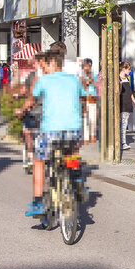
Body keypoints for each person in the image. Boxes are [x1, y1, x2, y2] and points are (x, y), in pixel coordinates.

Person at [17, 49, 85, 217]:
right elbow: (83, 99)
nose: (43, 69)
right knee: (70, 150)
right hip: (74, 129)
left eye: (45, 65)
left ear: (52, 63)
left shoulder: (43, 80)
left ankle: (38, 201)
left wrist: (22, 110)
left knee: (38, 161)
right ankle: (76, 178)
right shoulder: (75, 79)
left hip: (51, 130)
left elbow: (31, 100)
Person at [20, 53, 45, 172]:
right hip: (48, 114)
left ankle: (30, 155)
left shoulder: (34, 77)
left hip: (35, 112)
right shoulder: (51, 76)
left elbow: (29, 95)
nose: (33, 65)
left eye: (34, 62)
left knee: (27, 131)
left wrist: (21, 109)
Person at [119, 62, 135, 150]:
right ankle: (123, 142)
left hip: (127, 103)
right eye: (128, 69)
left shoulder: (127, 79)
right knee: (123, 123)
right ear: (124, 69)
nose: (130, 71)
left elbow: (130, 93)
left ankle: (123, 142)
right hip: (122, 103)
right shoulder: (118, 79)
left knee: (125, 122)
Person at [81, 58, 98, 143]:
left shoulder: (94, 75)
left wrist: (92, 80)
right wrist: (85, 82)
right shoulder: (82, 77)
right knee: (85, 119)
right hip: (85, 99)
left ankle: (93, 135)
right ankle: (86, 137)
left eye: (88, 66)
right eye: (85, 66)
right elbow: (81, 86)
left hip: (93, 99)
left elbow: (98, 85)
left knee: (93, 119)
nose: (86, 68)